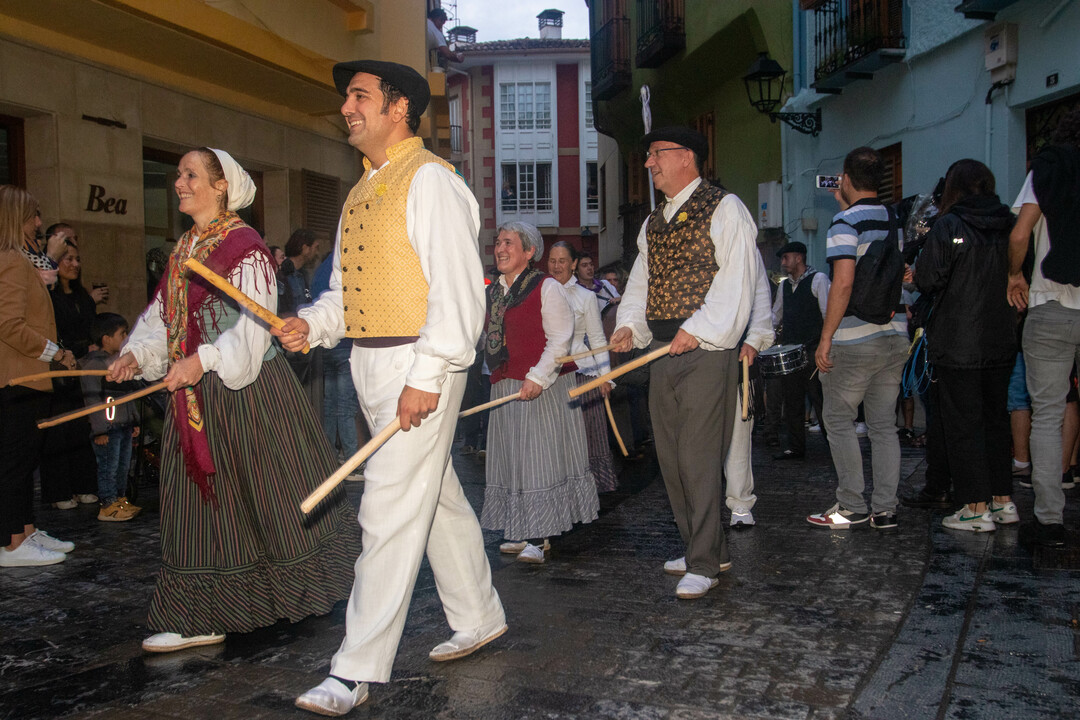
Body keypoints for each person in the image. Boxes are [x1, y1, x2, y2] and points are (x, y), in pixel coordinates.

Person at [275, 60, 505, 716]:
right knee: (436, 497)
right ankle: (479, 614)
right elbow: (345, 293)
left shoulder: (431, 180)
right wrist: (313, 325)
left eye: (360, 96)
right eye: (347, 97)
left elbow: (459, 296)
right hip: (370, 363)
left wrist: (426, 377)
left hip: (417, 364)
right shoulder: (361, 190)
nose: (347, 107)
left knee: (386, 511)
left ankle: (354, 669)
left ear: (398, 108)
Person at [108, 147, 361, 653]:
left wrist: (202, 359)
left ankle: (299, 589)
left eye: (190, 174)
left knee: (266, 496)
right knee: (198, 503)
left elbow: (252, 330)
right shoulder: (185, 248)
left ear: (221, 185)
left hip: (246, 394)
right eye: (178, 174)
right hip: (194, 396)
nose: (179, 183)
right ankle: (201, 613)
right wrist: (137, 353)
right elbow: (163, 317)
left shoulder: (245, 248)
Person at [609, 126, 759, 599]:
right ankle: (704, 547)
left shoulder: (726, 207)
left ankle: (704, 562)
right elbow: (641, 283)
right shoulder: (654, 221)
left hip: (707, 350)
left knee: (697, 456)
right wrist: (629, 325)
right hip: (662, 349)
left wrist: (701, 327)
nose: (648, 163)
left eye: (656, 154)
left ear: (686, 157)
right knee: (671, 457)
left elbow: (738, 280)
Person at [481, 226, 599, 563]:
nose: (500, 249)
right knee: (512, 460)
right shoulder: (494, 292)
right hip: (506, 384)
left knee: (538, 459)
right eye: (498, 243)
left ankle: (539, 535)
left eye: (509, 243)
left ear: (529, 251)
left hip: (542, 384)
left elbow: (560, 339)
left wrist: (536, 377)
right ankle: (521, 528)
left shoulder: (546, 287)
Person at [808, 147, 908, 531]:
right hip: (894, 333)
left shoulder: (844, 222)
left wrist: (825, 337)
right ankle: (885, 510)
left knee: (838, 418)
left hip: (855, 337)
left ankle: (850, 505)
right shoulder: (894, 219)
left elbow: (843, 283)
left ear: (846, 179)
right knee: (883, 426)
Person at [915, 159, 1018, 531]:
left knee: (963, 424)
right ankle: (1002, 500)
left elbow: (928, 278)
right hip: (1001, 338)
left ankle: (974, 508)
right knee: (996, 421)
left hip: (958, 341)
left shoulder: (949, 225)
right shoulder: (1011, 224)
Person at [1007, 107, 1080, 548]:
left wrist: (1014, 274)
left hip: (1051, 302)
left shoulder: (1047, 168)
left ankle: (1050, 520)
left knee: (1048, 415)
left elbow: (1020, 235)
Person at [0, 185, 77, 568]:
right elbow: (9, 324)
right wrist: (55, 353)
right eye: (34, 215)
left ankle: (25, 531)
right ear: (18, 216)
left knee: (25, 459)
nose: (39, 222)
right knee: (16, 463)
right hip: (17, 380)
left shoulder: (18, 258)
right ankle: (12, 543)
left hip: (28, 379)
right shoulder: (11, 260)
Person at [548, 240, 618, 493]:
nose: (556, 266)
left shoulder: (587, 297)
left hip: (583, 372)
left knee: (590, 433)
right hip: (551, 374)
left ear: (574, 264)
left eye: (562, 261)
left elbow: (598, 339)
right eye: (552, 261)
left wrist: (605, 377)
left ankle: (592, 490)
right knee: (558, 436)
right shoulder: (542, 295)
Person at [41, 243, 102, 509]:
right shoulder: (49, 297)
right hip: (57, 369)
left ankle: (83, 485)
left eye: (77, 259)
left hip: (81, 370)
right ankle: (59, 492)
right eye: (68, 259)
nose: (74, 264)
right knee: (58, 429)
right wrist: (77, 349)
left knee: (80, 428)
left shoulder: (83, 298)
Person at [724, 250, 774, 527]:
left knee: (739, 435)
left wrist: (755, 339)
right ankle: (697, 504)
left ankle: (740, 501)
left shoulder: (745, 248)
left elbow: (761, 296)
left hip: (738, 355)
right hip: (697, 356)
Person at [770, 240, 829, 460]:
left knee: (820, 399)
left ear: (799, 258)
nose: (783, 262)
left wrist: (826, 345)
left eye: (786, 258)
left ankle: (835, 445)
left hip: (813, 350)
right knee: (792, 400)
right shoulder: (784, 286)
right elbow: (776, 315)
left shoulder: (819, 279)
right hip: (791, 352)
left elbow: (828, 313)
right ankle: (795, 447)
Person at [80, 312, 142, 522]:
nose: (125, 338)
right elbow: (92, 401)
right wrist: (99, 430)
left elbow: (128, 394)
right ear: (106, 338)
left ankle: (120, 500)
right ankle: (108, 505)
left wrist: (134, 419)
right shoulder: (93, 365)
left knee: (123, 466)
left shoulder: (119, 363)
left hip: (124, 424)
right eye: (122, 334)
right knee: (108, 467)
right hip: (107, 428)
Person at [311, 250, 361, 463]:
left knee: (330, 404)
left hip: (326, 345)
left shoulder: (323, 267)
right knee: (346, 407)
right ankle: (352, 460)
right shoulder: (350, 261)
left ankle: (328, 457)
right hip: (346, 343)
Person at [277, 228, 319, 317]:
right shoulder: (283, 274)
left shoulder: (304, 275)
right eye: (315, 248)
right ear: (305, 248)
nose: (317, 253)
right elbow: (280, 312)